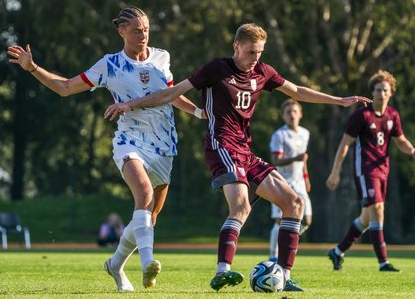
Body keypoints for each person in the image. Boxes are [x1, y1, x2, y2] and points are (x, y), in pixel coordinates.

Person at [104, 23, 371, 292]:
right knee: (242, 206)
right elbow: (172, 92)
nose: (256, 58)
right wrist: (130, 104)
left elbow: (298, 91)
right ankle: (223, 271)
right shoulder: (215, 69)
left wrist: (340, 100)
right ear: (237, 47)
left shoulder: (263, 72)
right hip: (221, 146)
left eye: (260, 52)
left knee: (294, 204)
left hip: (246, 150)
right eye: (251, 52)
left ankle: (284, 276)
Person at [7, 6, 205, 292]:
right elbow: (64, 87)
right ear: (121, 31)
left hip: (164, 145)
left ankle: (115, 264)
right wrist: (33, 68)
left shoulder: (162, 58)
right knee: (144, 194)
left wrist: (200, 113)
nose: (143, 35)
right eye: (136, 30)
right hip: (130, 141)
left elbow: (172, 95)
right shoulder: (109, 65)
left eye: (146, 29)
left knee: (149, 217)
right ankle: (148, 262)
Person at [325, 70, 415, 273]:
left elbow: (400, 140)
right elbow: (344, 145)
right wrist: (335, 173)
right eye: (377, 90)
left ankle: (338, 251)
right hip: (365, 170)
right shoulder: (361, 115)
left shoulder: (393, 115)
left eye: (385, 90)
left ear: (391, 93)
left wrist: (412, 150)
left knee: (367, 218)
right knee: (377, 210)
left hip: (382, 169)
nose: (381, 94)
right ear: (372, 92)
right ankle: (383, 262)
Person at [268, 99, 312, 262]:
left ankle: (285, 242)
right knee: (279, 221)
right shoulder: (279, 135)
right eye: (288, 112)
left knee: (307, 220)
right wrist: (296, 158)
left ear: (300, 114)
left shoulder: (305, 133)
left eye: (295, 111)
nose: (292, 114)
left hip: (299, 182)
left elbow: (304, 160)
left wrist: (306, 178)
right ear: (283, 116)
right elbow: (276, 160)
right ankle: (274, 256)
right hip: (282, 182)